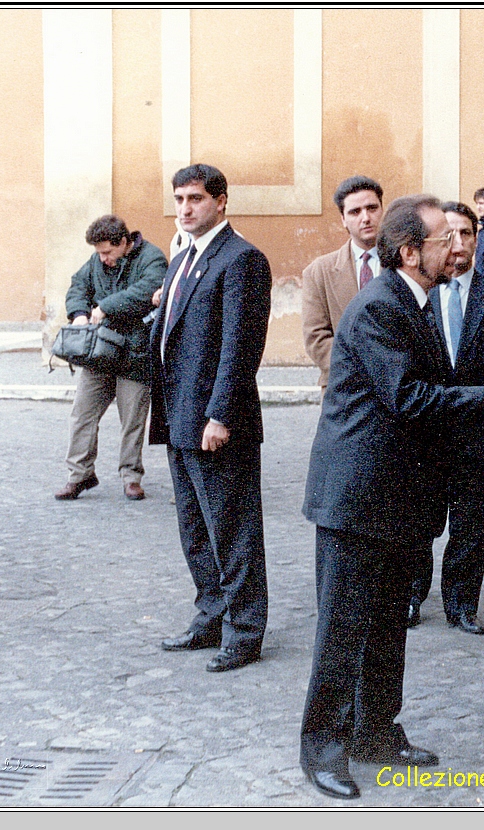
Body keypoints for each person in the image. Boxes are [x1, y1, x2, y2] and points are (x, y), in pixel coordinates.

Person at [300, 195, 484, 799]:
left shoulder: (414, 300)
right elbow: (409, 398)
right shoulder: (381, 307)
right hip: (356, 500)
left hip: (396, 498)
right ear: (410, 252)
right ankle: (323, 748)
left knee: (385, 628)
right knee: (343, 630)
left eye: (461, 238)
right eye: (441, 240)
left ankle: (377, 732)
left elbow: (430, 392)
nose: (457, 247)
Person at [151, 164, 272, 673]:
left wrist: (220, 415)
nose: (185, 208)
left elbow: (240, 349)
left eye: (196, 199)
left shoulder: (241, 259)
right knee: (195, 528)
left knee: (232, 528)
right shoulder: (184, 257)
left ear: (221, 201)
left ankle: (244, 630)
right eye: (179, 199)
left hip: (216, 424)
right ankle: (211, 615)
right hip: (179, 418)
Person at [408, 201, 484, 634]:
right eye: (449, 235)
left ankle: (461, 604)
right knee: (419, 518)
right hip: (424, 429)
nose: (457, 245)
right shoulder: (416, 296)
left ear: (478, 239)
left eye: (466, 234)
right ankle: (411, 595)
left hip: (476, 432)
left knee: (470, 521)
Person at [54, 215, 166, 501]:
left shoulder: (152, 258)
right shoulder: (97, 261)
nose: (103, 259)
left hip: (135, 353)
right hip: (101, 351)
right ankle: (79, 475)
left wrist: (104, 307)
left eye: (107, 252)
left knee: (132, 420)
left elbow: (144, 293)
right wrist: (78, 314)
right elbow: (78, 284)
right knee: (82, 414)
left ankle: (131, 476)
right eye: (99, 253)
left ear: (124, 242)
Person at [302, 176, 384, 388]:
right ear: (343, 219)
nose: (365, 217)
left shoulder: (404, 263)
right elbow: (316, 337)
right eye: (355, 212)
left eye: (372, 208)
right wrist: (358, 370)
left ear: (382, 210)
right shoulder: (318, 272)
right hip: (343, 388)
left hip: (396, 389)